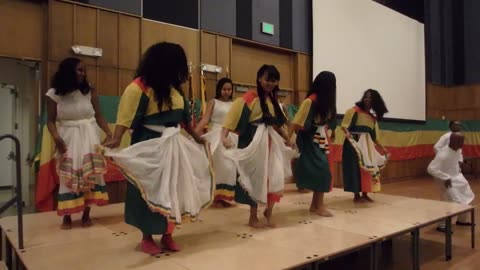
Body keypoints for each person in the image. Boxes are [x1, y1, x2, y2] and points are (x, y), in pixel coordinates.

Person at [103, 42, 213, 255]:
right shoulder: (139, 87)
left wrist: (198, 138)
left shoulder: (175, 90)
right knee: (150, 189)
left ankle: (167, 234)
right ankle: (146, 237)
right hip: (149, 144)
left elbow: (184, 121)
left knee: (173, 190)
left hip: (173, 145)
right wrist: (116, 139)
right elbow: (126, 117)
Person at [221, 64, 297, 228]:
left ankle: (269, 212)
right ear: (259, 79)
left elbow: (277, 125)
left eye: (274, 80)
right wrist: (223, 136)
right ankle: (253, 216)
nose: (270, 83)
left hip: (270, 143)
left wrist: (288, 139)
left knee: (274, 177)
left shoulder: (275, 101)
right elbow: (232, 116)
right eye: (267, 79)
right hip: (253, 142)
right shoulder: (249, 98)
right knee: (255, 178)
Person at [45, 57, 111, 229]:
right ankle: (67, 216)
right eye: (80, 70)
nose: (83, 74)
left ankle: (86, 215)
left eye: (84, 70)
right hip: (68, 138)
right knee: (68, 175)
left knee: (91, 174)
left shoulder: (90, 91)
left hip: (89, 136)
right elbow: (50, 121)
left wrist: (109, 133)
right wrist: (56, 138)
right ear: (68, 72)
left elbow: (99, 116)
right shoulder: (54, 93)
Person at [289, 71, 337, 216]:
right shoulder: (310, 101)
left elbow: (329, 121)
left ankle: (316, 205)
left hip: (321, 140)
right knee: (322, 171)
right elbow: (296, 122)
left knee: (324, 170)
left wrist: (332, 132)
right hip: (308, 140)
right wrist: (287, 140)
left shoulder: (327, 102)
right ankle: (318, 205)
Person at [195, 78, 238, 207]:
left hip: (230, 137)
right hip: (216, 137)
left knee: (231, 168)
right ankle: (217, 197)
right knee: (220, 166)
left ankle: (227, 197)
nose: (226, 92)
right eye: (224, 89)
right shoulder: (213, 102)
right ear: (219, 89)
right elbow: (205, 119)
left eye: (229, 89)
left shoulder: (234, 104)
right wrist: (195, 133)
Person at [341, 89, 389, 202]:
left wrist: (383, 148)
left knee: (367, 169)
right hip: (354, 144)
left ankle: (365, 193)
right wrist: (347, 133)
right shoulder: (354, 111)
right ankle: (356, 195)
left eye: (370, 98)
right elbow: (344, 125)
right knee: (354, 169)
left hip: (366, 146)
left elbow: (375, 136)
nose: (367, 99)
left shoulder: (372, 118)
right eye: (366, 97)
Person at [427, 132, 475, 232]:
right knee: (447, 203)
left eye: (462, 141)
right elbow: (431, 169)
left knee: (465, 198)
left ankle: (461, 220)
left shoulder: (458, 150)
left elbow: (456, 159)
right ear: (452, 141)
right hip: (445, 180)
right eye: (459, 141)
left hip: (457, 177)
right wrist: (446, 177)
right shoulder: (443, 154)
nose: (462, 144)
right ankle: (442, 225)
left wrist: (459, 166)